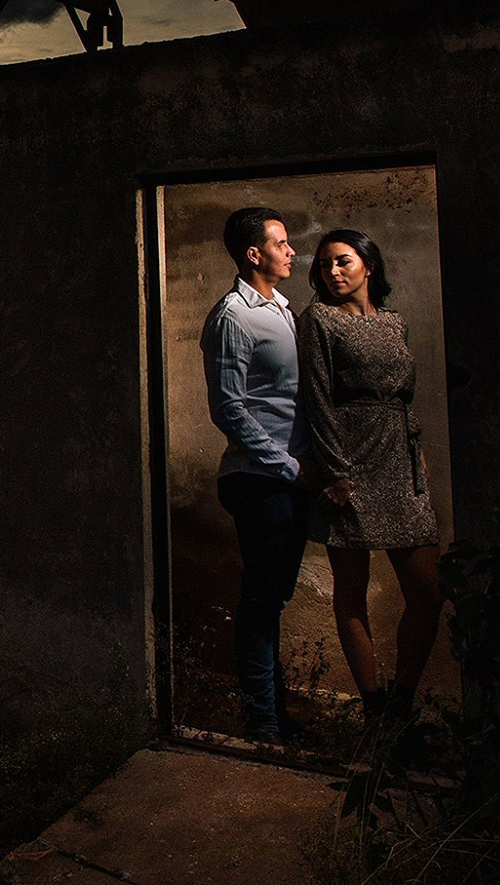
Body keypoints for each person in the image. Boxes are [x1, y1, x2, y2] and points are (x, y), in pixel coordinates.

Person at [297, 229, 441, 731]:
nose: (331, 272)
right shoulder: (318, 320)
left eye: (341, 262)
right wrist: (336, 472)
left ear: (368, 265)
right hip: (351, 462)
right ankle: (375, 707)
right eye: (323, 266)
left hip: (400, 461)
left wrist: (416, 450)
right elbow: (316, 399)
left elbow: (405, 397)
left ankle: (402, 700)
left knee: (428, 591)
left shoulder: (395, 324)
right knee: (351, 588)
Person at [200, 206, 310, 743]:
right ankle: (262, 723)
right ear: (254, 253)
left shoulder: (285, 311)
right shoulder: (233, 317)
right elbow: (229, 408)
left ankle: (274, 716)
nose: (290, 251)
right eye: (281, 243)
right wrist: (289, 467)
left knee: (273, 599)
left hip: (286, 479)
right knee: (263, 600)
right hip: (259, 478)